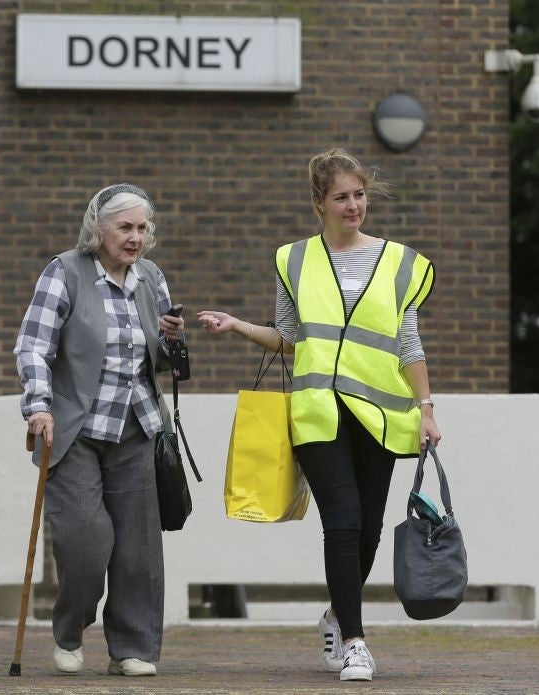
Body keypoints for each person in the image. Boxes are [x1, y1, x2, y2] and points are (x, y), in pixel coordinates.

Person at [197, 149, 441, 682]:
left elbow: (408, 343)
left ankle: (336, 613)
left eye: (359, 195)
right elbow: (289, 337)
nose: (353, 206)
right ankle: (355, 641)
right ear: (319, 203)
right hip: (318, 412)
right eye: (342, 197)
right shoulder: (294, 260)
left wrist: (426, 409)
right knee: (343, 522)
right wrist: (238, 326)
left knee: (370, 529)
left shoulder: (403, 264)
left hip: (381, 411)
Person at [13, 183, 184, 678]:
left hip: (138, 425)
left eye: (142, 228)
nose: (135, 238)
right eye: (125, 227)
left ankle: (133, 648)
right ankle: (70, 627)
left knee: (138, 547)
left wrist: (174, 341)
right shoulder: (64, 271)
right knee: (85, 540)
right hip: (75, 428)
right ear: (99, 229)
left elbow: (163, 360)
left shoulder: (152, 278)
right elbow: (33, 347)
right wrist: (38, 407)